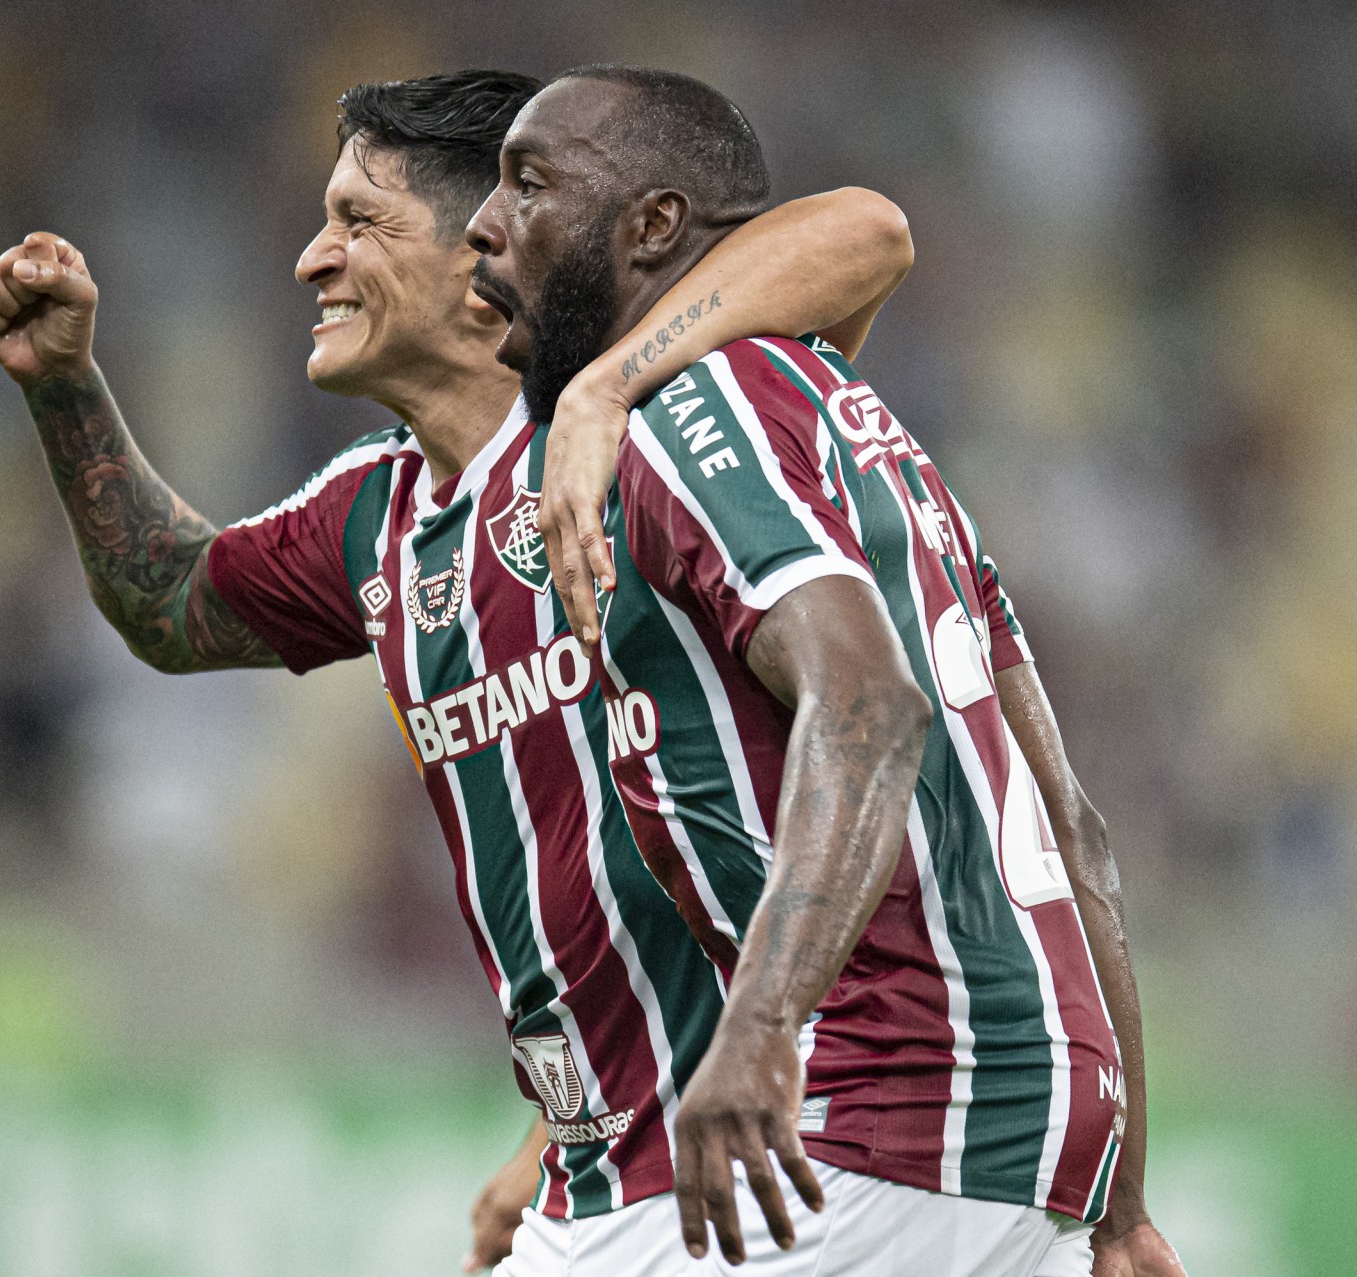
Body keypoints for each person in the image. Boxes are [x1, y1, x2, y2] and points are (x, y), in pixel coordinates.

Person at [0, 69, 913, 1273]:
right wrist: (63, 385)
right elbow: (168, 600)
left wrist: (615, 381)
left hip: (784, 1147)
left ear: (486, 254)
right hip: (601, 1167)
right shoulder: (380, 513)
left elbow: (867, 235)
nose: (314, 259)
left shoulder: (651, 411)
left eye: (360, 222)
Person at [466, 66, 1185, 1276]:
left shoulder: (702, 407)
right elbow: (1073, 830)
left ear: (651, 226)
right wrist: (1121, 1207)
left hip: (899, 1104)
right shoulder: (856, 425)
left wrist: (754, 1032)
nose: (491, 221)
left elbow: (869, 702)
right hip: (1005, 1119)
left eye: (529, 182)